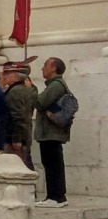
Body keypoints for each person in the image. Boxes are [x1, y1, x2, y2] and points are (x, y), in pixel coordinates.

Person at [35, 57, 73, 208]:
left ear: (54, 68)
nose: (42, 68)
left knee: (52, 163)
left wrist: (31, 89)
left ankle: (55, 196)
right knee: (53, 162)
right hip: (51, 131)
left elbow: (40, 102)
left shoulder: (56, 85)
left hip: (51, 131)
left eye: (45, 65)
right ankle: (57, 195)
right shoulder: (56, 85)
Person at [3, 62, 38, 170]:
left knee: (17, 168)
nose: (5, 76)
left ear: (17, 75)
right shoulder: (21, 89)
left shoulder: (16, 91)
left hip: (15, 137)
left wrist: (16, 139)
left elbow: (18, 116)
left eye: (8, 73)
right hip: (21, 135)